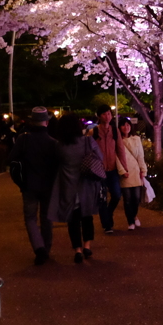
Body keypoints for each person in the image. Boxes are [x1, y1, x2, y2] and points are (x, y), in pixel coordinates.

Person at [48, 112, 103, 263]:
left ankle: (77, 250)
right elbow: (100, 158)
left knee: (73, 219)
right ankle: (87, 246)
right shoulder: (88, 141)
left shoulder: (60, 146)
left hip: (68, 186)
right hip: (86, 185)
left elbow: (55, 163)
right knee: (87, 217)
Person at [9, 107, 60, 265]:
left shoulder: (23, 139)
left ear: (32, 120)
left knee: (30, 218)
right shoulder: (53, 143)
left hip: (29, 186)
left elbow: (13, 161)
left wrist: (20, 182)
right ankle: (46, 248)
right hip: (48, 187)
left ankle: (39, 249)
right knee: (46, 218)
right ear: (46, 121)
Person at [93, 104, 128, 234]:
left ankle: (107, 214)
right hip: (99, 170)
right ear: (99, 116)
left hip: (113, 169)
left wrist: (124, 168)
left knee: (117, 195)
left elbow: (120, 150)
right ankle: (107, 225)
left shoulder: (115, 130)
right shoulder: (94, 131)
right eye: (104, 114)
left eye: (109, 113)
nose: (107, 116)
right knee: (102, 198)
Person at [116, 117, 147, 230]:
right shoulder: (117, 141)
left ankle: (134, 216)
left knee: (136, 198)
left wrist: (143, 170)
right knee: (127, 199)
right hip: (126, 172)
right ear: (119, 127)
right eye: (123, 125)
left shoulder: (136, 139)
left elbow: (140, 156)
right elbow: (117, 157)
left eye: (128, 124)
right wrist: (122, 171)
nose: (126, 127)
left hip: (136, 171)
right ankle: (130, 221)